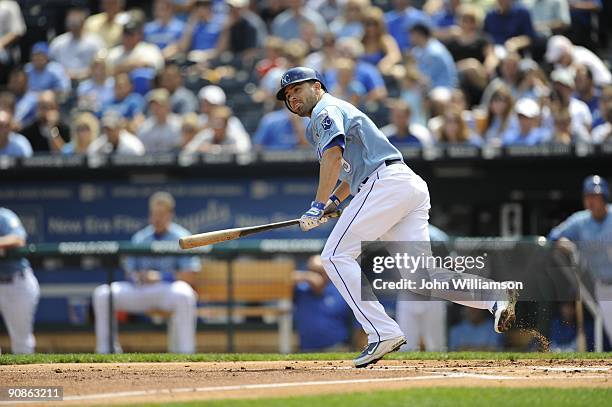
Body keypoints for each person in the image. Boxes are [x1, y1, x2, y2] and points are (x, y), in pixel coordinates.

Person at [275, 66, 517, 367]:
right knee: (422, 278)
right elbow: (350, 173)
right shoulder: (336, 111)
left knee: (335, 255)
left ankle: (382, 332)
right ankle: (493, 295)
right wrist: (332, 201)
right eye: (287, 95)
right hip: (402, 184)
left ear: (316, 86)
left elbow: (333, 157)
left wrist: (317, 203)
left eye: (297, 89)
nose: (292, 98)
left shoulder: (325, 110)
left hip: (386, 184)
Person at [92, 192, 200, 353]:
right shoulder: (141, 237)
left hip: (166, 288)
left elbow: (190, 274)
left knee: (185, 295)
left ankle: (185, 353)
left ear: (170, 215)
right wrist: (138, 276)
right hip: (140, 289)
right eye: (155, 214)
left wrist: (161, 276)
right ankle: (106, 351)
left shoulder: (182, 236)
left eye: (162, 214)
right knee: (102, 294)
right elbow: (129, 270)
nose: (157, 218)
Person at [548, 175, 612, 348]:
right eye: (588, 196)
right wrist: (564, 242)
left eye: (595, 196)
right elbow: (553, 236)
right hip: (603, 286)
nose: (591, 201)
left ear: (604, 197)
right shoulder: (580, 221)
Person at [0, 207, 40, 354]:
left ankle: (24, 377)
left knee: (22, 342)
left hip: (17, 282)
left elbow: (18, 239)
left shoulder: (3, 216)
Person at [293, 255, 352, 351]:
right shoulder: (301, 290)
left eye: (319, 272)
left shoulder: (340, 290)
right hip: (307, 349)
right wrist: (306, 276)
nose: (315, 276)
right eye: (312, 272)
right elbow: (281, 278)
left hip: (337, 347)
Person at [49, 8, 105, 81]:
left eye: (76, 23)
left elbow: (102, 63)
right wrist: (64, 74)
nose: (73, 26)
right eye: (71, 23)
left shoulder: (95, 42)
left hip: (89, 81)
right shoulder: (58, 42)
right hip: (63, 81)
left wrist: (83, 74)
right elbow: (51, 64)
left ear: (83, 23)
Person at [409, 23, 457, 90]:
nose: (410, 37)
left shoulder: (434, 52)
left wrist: (411, 71)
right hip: (430, 87)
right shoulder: (420, 48)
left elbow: (425, 80)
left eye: (412, 35)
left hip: (444, 88)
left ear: (419, 35)